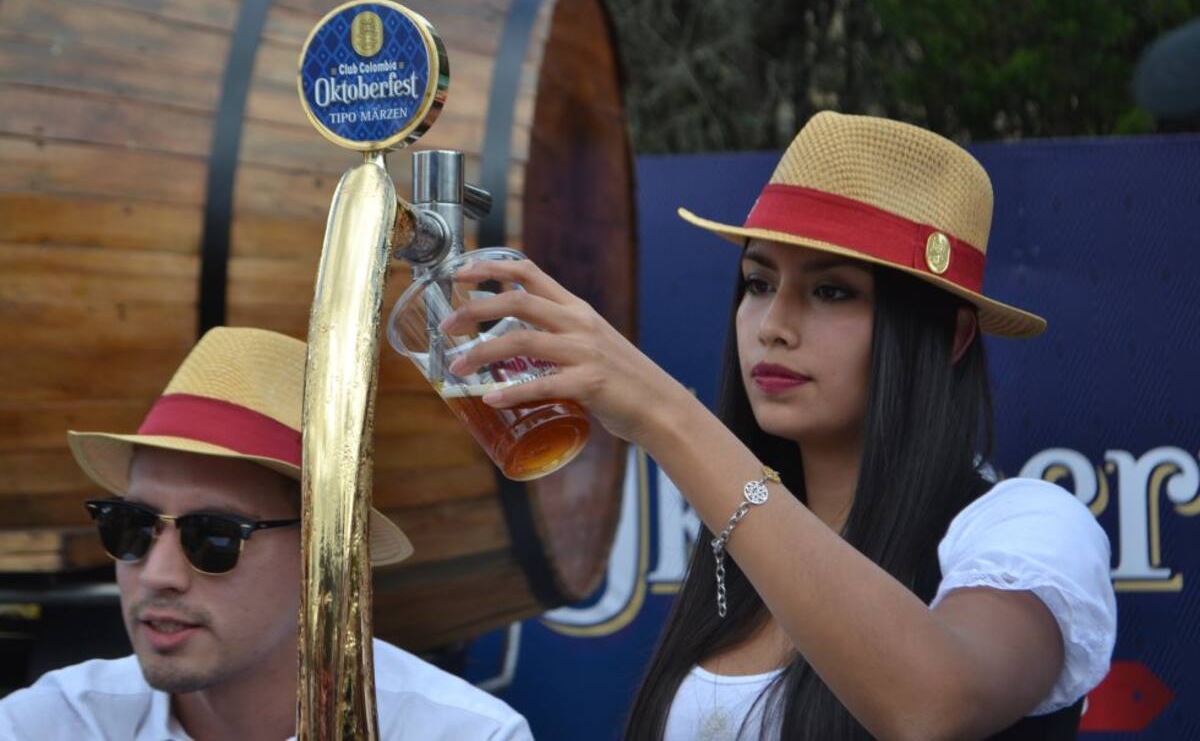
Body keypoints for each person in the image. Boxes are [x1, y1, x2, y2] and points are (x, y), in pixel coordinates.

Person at [438, 111, 1116, 740]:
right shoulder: (744, 549)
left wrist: (665, 414)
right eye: (758, 283)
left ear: (950, 337)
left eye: (831, 291)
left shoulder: (1027, 527)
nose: (774, 326)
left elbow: (935, 703)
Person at [0, 327, 533, 741]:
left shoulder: (460, 733)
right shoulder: (54, 723)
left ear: (324, 560)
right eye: (131, 526)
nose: (158, 575)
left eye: (214, 537)